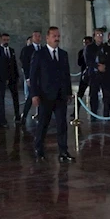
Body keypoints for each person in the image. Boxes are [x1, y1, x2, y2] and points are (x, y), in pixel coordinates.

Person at [29, 26, 74, 162]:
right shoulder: (39, 54)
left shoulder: (63, 54)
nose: (57, 38)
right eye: (54, 36)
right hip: (45, 96)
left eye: (58, 36)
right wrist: (34, 94)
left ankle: (63, 152)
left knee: (62, 124)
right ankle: (39, 150)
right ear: (47, 38)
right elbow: (33, 75)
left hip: (60, 95)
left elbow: (67, 75)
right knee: (43, 124)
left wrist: (69, 93)